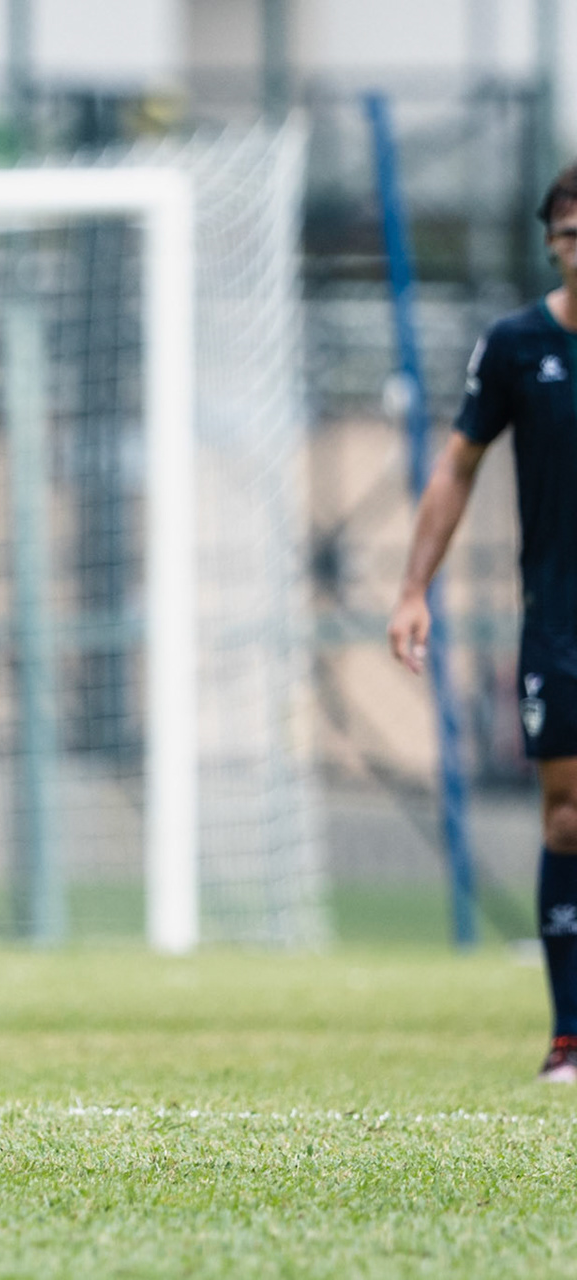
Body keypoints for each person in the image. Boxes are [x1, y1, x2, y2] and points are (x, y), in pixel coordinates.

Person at [390, 159, 577, 1084]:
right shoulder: (514, 346)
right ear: (552, 240)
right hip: (559, 623)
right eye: (572, 233)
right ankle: (568, 1036)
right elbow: (456, 467)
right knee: (568, 819)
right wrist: (412, 587)